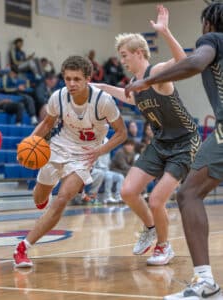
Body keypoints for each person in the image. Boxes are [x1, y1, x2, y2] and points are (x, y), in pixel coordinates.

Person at [126, 2, 223, 299]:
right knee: (185, 192)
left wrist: (149, 80)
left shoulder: (213, 39)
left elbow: (194, 63)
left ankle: (205, 281)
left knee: (189, 193)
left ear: (208, 23)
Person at [93, 4, 201, 265]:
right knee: (128, 191)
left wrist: (164, 31)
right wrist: (97, 87)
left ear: (139, 53)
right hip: (160, 142)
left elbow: (183, 61)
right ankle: (151, 229)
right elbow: (125, 96)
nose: (122, 61)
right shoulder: (135, 85)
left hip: (185, 141)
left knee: (155, 199)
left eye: (124, 55)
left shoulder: (158, 72)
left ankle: (164, 246)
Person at [13, 55, 127, 268]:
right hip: (58, 146)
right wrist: (29, 144)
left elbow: (121, 133)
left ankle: (23, 248)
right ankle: (43, 196)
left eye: (77, 79)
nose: (72, 84)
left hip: (85, 154)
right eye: (67, 79)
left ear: (87, 79)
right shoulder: (58, 97)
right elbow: (47, 124)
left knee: (63, 198)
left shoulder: (103, 101)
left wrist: (100, 150)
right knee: (39, 197)